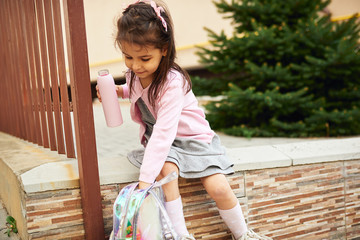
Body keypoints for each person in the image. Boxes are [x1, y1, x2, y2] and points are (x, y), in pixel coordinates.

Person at [97, 1, 272, 239]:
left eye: (144, 58)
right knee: (167, 172)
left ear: (165, 49)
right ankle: (180, 234)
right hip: (167, 144)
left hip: (193, 140)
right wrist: (120, 91)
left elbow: (163, 133)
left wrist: (144, 180)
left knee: (218, 187)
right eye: (128, 57)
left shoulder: (173, 82)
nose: (135, 65)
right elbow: (138, 89)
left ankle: (243, 234)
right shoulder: (137, 74)